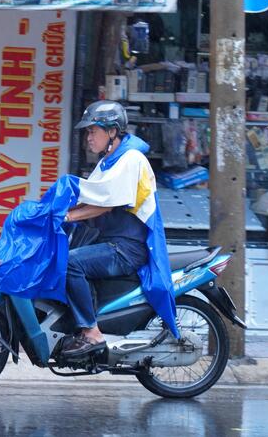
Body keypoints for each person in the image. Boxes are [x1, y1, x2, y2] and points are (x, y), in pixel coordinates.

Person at [62, 100, 174, 358]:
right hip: (110, 242)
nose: (88, 137)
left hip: (126, 248)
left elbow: (106, 204)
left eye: (92, 131)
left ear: (112, 131)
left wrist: (67, 216)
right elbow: (90, 196)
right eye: (88, 132)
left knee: (70, 263)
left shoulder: (131, 159)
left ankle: (91, 333)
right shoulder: (108, 161)